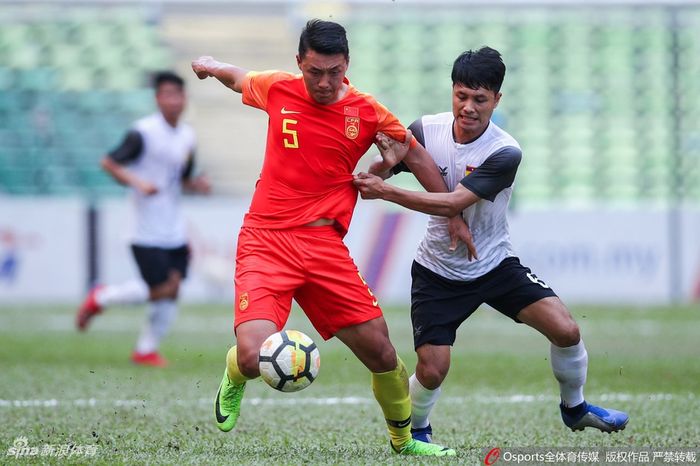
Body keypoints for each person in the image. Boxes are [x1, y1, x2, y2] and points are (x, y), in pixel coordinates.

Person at [190, 19, 457, 457]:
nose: (325, 82)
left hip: (323, 248)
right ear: (300, 64)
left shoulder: (367, 111)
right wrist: (212, 63)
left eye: (334, 71)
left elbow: (415, 155)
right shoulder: (279, 88)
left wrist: (453, 212)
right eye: (315, 72)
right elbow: (238, 79)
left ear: (346, 64)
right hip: (266, 241)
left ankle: (404, 440)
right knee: (253, 357)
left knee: (382, 353)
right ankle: (235, 373)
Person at [353, 47, 629, 442]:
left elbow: (453, 203)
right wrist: (382, 167)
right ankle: (416, 433)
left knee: (566, 329)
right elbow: (380, 172)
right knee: (432, 370)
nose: (468, 107)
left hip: (495, 264)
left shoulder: (504, 152)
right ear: (452, 91)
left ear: (497, 100)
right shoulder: (425, 130)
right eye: (461, 96)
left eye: (480, 99)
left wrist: (387, 192)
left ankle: (575, 407)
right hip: (437, 271)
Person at [76, 71, 211, 367]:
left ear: (184, 98)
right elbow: (108, 162)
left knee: (173, 289)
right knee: (162, 287)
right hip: (144, 229)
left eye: (178, 94)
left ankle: (146, 349)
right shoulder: (143, 132)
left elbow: (182, 179)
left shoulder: (187, 136)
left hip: (174, 227)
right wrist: (138, 183)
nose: (173, 100)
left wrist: (197, 184)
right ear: (157, 98)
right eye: (167, 94)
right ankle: (102, 297)